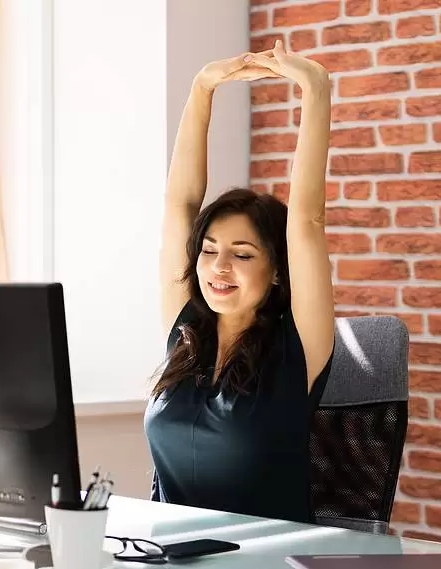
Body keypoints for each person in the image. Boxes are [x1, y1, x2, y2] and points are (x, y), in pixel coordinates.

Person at [143, 41, 335, 525]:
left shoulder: (299, 350)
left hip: (264, 567)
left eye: (242, 254)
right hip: (167, 561)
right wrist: (203, 88)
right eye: (208, 252)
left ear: (276, 271)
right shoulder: (184, 333)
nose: (217, 267)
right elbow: (179, 206)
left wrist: (315, 89)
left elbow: (307, 223)